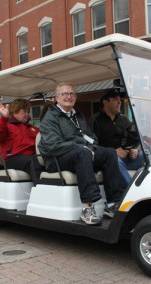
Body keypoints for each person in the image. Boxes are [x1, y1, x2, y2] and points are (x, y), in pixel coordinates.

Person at [38, 83, 126, 225]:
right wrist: (83, 148)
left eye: (72, 94)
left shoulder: (78, 116)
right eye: (65, 94)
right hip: (56, 159)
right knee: (82, 153)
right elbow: (52, 145)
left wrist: (90, 148)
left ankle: (112, 204)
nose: (69, 96)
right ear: (57, 98)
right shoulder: (50, 118)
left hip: (79, 154)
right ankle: (87, 208)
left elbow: (91, 137)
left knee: (109, 153)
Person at [89, 88, 143, 186]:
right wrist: (113, 152)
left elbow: (132, 139)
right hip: (107, 160)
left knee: (148, 158)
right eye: (115, 99)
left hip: (127, 158)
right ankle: (132, 193)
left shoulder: (124, 119)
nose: (119, 102)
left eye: (119, 99)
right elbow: (91, 146)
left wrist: (134, 150)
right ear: (105, 102)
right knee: (115, 161)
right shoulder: (95, 121)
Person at [0, 98, 39, 175]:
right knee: (35, 162)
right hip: (12, 158)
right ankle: (39, 185)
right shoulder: (5, 125)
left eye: (28, 112)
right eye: (24, 111)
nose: (27, 114)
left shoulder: (33, 129)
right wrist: (4, 118)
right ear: (15, 111)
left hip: (31, 157)